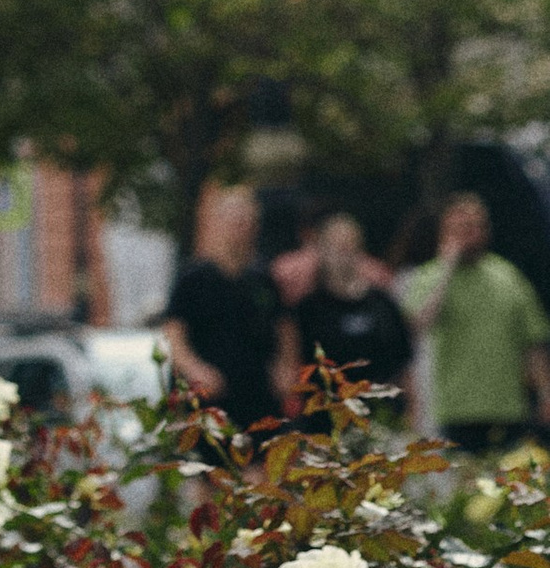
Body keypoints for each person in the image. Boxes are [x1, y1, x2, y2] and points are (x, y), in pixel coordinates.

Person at [401, 194, 550, 455]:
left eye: (477, 226)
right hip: (456, 411)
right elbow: (418, 326)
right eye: (462, 228)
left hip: (507, 409)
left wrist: (546, 393)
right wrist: (447, 266)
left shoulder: (508, 277)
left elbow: (532, 343)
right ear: (445, 232)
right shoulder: (430, 276)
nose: (471, 234)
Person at [161, 182, 280, 438]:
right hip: (205, 402)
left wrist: (285, 368)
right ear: (217, 223)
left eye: (246, 222)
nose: (240, 229)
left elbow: (284, 326)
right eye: (234, 221)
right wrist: (195, 370)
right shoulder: (193, 278)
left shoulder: (263, 279)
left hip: (255, 399)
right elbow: (173, 334)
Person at [280, 213, 413, 429]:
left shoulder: (382, 304)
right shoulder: (307, 309)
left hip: (378, 418)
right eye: (337, 247)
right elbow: (290, 367)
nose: (344, 254)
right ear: (321, 250)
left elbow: (404, 365)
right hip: (324, 420)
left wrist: (410, 416)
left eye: (350, 246)